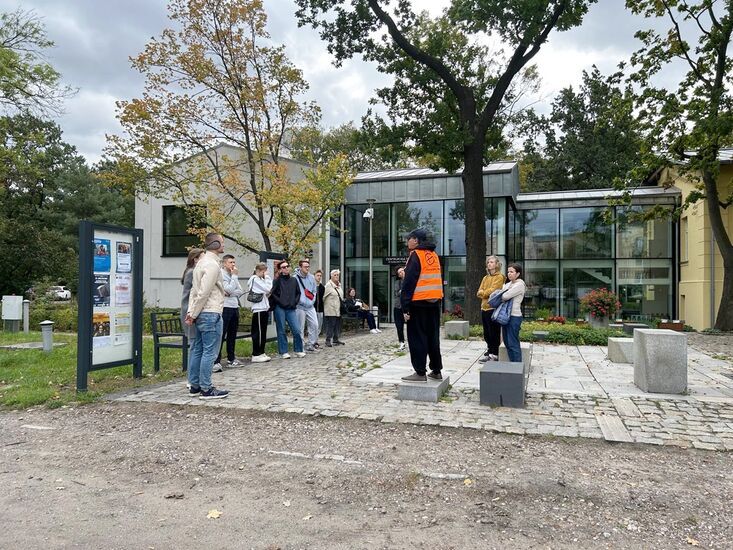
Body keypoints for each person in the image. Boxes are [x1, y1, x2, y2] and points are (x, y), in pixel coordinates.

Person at [185, 232, 228, 399]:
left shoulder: (201, 263)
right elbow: (204, 292)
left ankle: (194, 385)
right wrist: (193, 313)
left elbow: (193, 292)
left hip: (201, 313)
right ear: (216, 244)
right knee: (210, 352)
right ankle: (206, 388)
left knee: (199, 349)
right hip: (211, 312)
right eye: (222, 242)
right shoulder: (212, 265)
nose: (224, 245)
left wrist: (192, 312)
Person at [400, 228, 444, 382]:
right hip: (433, 303)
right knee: (433, 337)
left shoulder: (415, 255)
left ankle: (419, 372)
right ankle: (436, 370)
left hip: (417, 303)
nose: (407, 242)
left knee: (417, 338)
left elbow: (409, 283)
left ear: (416, 240)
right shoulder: (434, 255)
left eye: (409, 239)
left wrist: (405, 307)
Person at [213, 254, 244, 371]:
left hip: (234, 306)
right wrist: (234, 278)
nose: (233, 265)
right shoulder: (221, 274)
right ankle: (216, 360)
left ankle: (231, 358)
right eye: (231, 262)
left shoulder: (233, 275)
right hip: (225, 307)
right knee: (221, 334)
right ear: (224, 263)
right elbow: (228, 289)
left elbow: (240, 291)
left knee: (232, 334)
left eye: (234, 262)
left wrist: (231, 291)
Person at [270, 260, 305, 359]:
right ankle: (283, 351)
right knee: (281, 330)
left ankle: (298, 350)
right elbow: (273, 293)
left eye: (287, 266)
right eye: (283, 267)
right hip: (280, 308)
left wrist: (295, 302)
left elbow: (298, 293)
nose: (286, 268)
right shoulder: (277, 280)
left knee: (297, 330)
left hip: (291, 308)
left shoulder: (294, 280)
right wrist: (280, 301)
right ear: (280, 270)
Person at [476, 255, 505, 362]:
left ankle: (495, 354)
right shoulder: (485, 278)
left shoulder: (500, 277)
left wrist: (483, 292)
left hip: (493, 308)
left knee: (494, 332)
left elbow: (493, 291)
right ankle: (490, 350)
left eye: (492, 262)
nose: (489, 264)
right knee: (487, 333)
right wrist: (484, 293)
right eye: (488, 262)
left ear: (497, 264)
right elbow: (479, 292)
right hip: (484, 308)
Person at [501, 263, 527, 363]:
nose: (509, 274)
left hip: (514, 317)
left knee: (513, 342)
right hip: (505, 316)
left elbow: (504, 296)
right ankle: (512, 365)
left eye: (512, 272)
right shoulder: (508, 284)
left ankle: (517, 367)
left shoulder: (520, 284)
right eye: (508, 272)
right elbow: (501, 294)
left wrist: (502, 294)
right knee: (507, 342)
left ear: (518, 274)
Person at [247, 262, 273, 363]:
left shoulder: (260, 279)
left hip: (264, 308)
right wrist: (267, 278)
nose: (265, 274)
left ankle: (261, 351)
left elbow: (267, 290)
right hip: (258, 309)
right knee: (258, 332)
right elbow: (268, 288)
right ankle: (256, 353)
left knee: (263, 331)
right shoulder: (255, 279)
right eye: (264, 272)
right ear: (259, 271)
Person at [295, 259, 319, 352]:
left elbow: (314, 291)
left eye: (308, 266)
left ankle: (311, 344)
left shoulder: (312, 277)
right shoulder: (295, 278)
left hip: (310, 306)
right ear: (300, 267)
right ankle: (300, 346)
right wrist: (298, 301)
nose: (307, 268)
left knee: (315, 325)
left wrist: (312, 300)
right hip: (300, 306)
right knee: (300, 327)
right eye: (305, 267)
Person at [322, 269, 345, 346]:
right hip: (330, 309)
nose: (336, 276)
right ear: (331, 276)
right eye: (334, 275)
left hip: (338, 309)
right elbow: (323, 297)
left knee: (337, 325)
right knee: (331, 325)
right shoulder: (328, 285)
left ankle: (335, 339)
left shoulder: (339, 285)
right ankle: (328, 340)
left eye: (337, 275)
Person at [393, 266, 406, 351]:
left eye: (402, 270)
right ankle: (401, 342)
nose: (402, 272)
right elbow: (397, 293)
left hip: (408, 306)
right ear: (398, 275)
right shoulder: (398, 282)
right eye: (399, 272)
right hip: (398, 306)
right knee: (399, 326)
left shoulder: (411, 279)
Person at [314, 269, 325, 345]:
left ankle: (316, 340)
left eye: (320, 276)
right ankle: (313, 341)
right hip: (313, 309)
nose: (319, 277)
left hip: (320, 309)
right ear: (314, 276)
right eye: (318, 275)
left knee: (319, 326)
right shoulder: (312, 285)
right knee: (313, 325)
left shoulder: (322, 287)